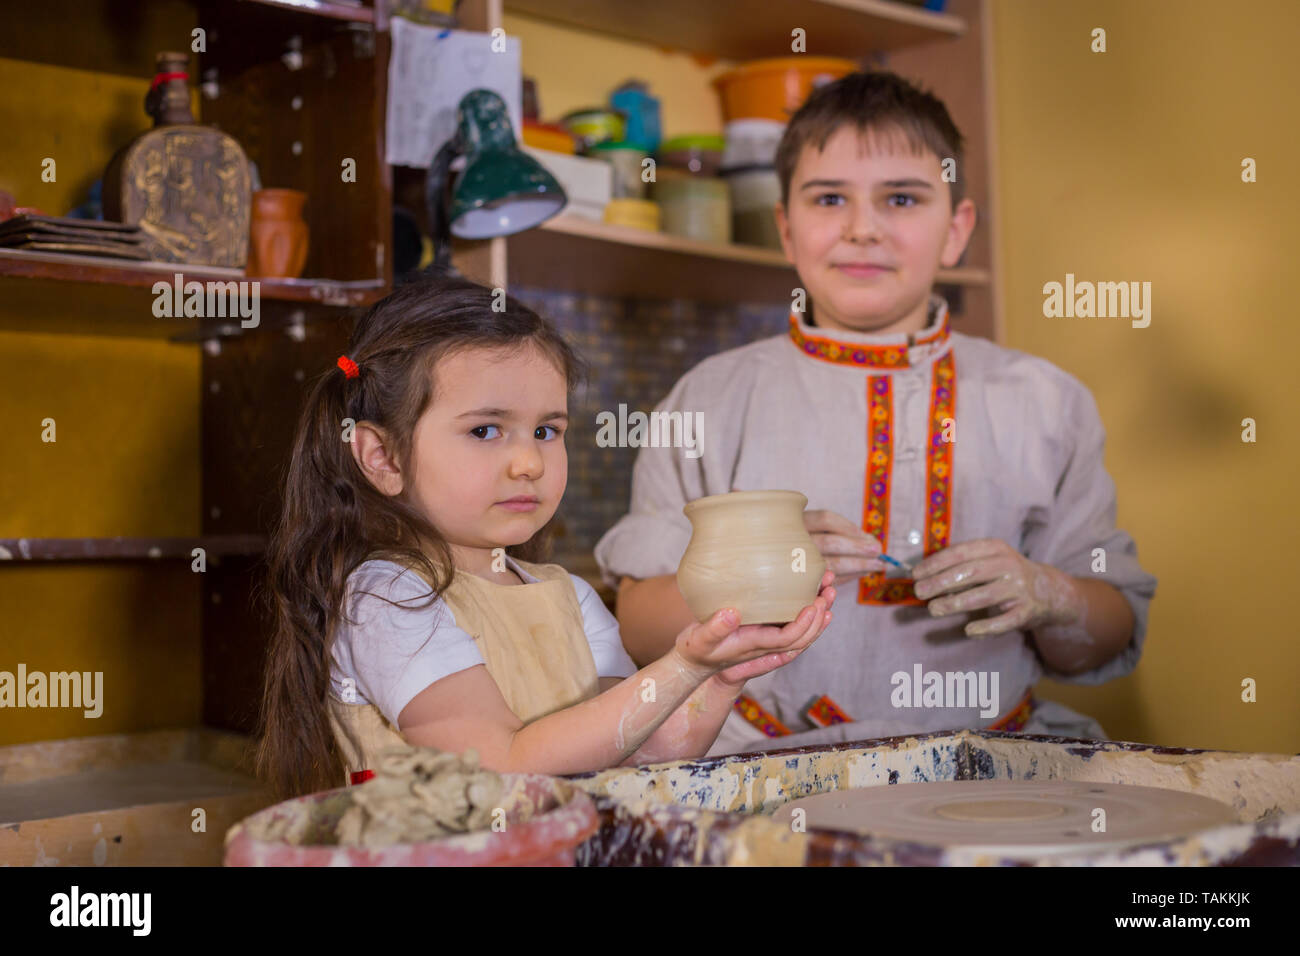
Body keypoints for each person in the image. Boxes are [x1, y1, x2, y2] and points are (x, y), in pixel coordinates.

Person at [599, 72, 1158, 756]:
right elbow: (636, 622)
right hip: (762, 765)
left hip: (1000, 765)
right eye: (829, 198)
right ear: (785, 228)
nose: (862, 229)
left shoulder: (1047, 400)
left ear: (956, 231)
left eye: (901, 198)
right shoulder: (710, 397)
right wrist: (756, 579)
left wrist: (1051, 593)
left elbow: (1103, 633)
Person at [253, 274, 836, 798]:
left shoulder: (570, 596)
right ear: (381, 456)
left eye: (546, 430)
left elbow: (642, 754)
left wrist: (720, 679)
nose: (528, 461)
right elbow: (501, 769)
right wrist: (682, 665)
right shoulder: (387, 597)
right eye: (485, 430)